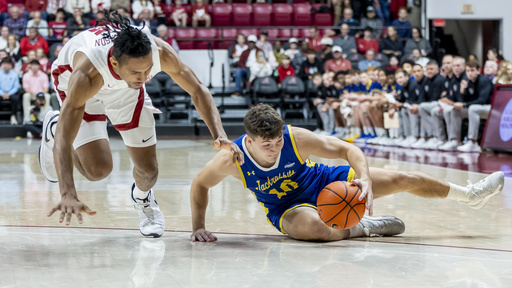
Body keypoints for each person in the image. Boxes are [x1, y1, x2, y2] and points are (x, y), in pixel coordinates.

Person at [40, 12, 243, 238]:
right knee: (97, 170)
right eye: (137, 71)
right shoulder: (87, 74)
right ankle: (54, 124)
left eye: (148, 70)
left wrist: (220, 134)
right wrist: (67, 192)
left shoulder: (159, 53)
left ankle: (143, 198)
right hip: (80, 91)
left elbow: (197, 89)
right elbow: (65, 139)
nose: (145, 77)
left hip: (125, 90)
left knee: (148, 171)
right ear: (115, 63)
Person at [189, 103, 505, 242]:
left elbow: (348, 150)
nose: (274, 147)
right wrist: (198, 227)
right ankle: (364, 227)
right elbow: (199, 185)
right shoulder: (232, 158)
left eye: (278, 141)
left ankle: (471, 195)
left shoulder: (295, 137)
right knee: (316, 231)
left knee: (401, 178)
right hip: (285, 206)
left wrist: (364, 178)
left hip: (323, 180)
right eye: (267, 145)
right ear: (250, 140)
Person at [439, 60, 493, 151]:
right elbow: (465, 99)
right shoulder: (468, 82)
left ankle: (473, 142)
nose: (470, 73)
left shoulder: (484, 80)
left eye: (472, 70)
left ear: (478, 71)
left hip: (490, 108)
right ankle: (455, 140)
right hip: (476, 108)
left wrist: (464, 105)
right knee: (455, 110)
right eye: (467, 71)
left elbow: (482, 100)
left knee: (472, 108)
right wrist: (462, 91)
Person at [22, 59, 50, 124]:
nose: (34, 67)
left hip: (41, 95)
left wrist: (40, 94)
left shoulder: (43, 75)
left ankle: (44, 117)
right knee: (26, 96)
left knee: (47, 96)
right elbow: (26, 89)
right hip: (31, 94)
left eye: (36, 65)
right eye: (33, 65)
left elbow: (46, 89)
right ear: (30, 66)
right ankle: (27, 118)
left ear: (39, 66)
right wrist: (32, 93)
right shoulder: (26, 75)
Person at [0, 56, 20, 125]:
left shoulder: (14, 74)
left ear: (11, 65)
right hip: (1, 93)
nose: (6, 65)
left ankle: (13, 116)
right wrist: (2, 93)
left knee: (15, 98)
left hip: (11, 93)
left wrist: (9, 94)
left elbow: (16, 87)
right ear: (2, 64)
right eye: (5, 63)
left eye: (8, 63)